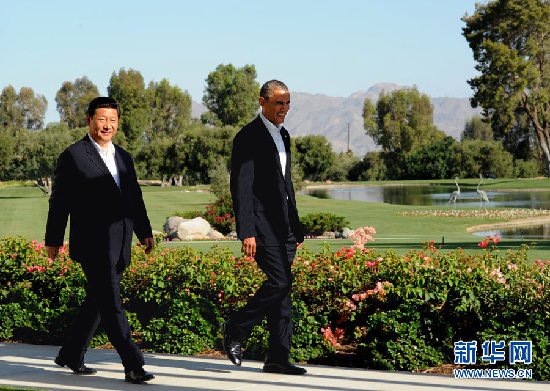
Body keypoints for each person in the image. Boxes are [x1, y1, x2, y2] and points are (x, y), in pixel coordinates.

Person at [45, 97, 155, 384]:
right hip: (92, 245)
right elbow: (59, 202)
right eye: (102, 119)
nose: (108, 125)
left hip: (120, 243)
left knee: (98, 301)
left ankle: (70, 353)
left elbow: (135, 199)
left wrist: (144, 231)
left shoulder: (124, 157)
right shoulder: (73, 155)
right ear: (89, 120)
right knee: (112, 304)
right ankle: (133, 364)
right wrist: (53, 239)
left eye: (113, 120)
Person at [222, 80, 306, 375]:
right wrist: (246, 230)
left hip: (285, 228)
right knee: (280, 282)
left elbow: (286, 183)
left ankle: (277, 358)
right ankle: (236, 326)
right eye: (279, 103)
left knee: (283, 293)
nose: (284, 109)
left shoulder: (284, 135)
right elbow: (241, 187)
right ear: (263, 102)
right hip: (261, 225)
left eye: (287, 104)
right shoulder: (248, 137)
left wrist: (296, 225)